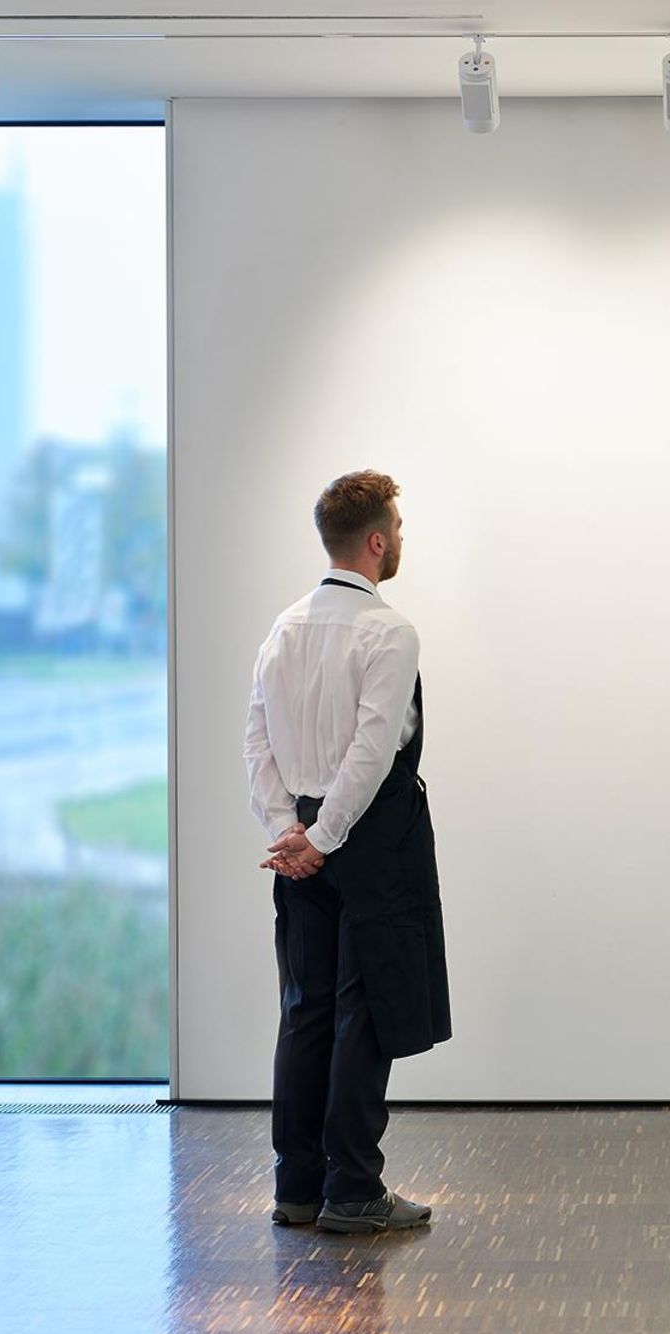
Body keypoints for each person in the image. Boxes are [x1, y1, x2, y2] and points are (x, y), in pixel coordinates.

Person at [242, 469, 452, 1234]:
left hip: (302, 837)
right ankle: (355, 1189)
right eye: (397, 527)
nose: (401, 539)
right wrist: (325, 838)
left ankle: (297, 1185)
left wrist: (287, 832)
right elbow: (371, 753)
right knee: (364, 1013)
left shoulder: (284, 627)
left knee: (305, 1010)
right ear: (375, 540)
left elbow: (257, 740)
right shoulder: (390, 631)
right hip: (364, 840)